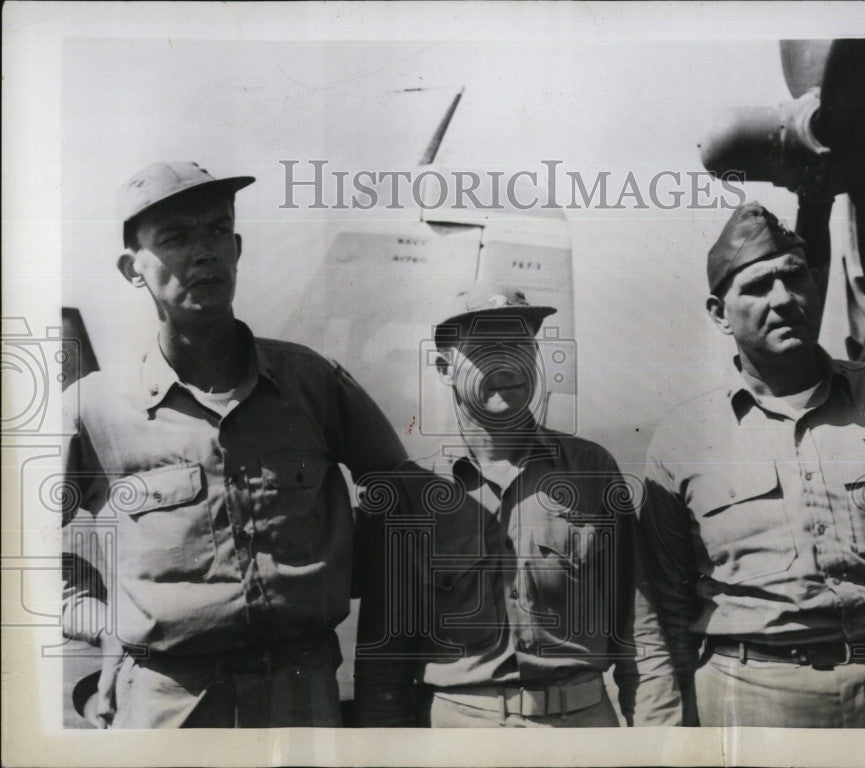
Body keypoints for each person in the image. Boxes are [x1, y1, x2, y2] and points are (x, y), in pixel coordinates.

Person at [61, 161, 407, 728]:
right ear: (132, 269)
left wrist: (354, 583)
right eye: (175, 238)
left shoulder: (312, 383)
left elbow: (405, 500)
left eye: (218, 231)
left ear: (238, 248)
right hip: (167, 704)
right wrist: (100, 622)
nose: (205, 252)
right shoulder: (95, 407)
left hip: (303, 694)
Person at [632, 202, 865, 728]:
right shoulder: (683, 438)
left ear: (816, 284)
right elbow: (665, 606)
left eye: (793, 278)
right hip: (755, 701)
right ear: (718, 313)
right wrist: (668, 735)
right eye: (757, 287)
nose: (782, 299)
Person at [354, 283, 638, 727]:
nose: (507, 362)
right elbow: (384, 659)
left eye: (520, 345)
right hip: (461, 733)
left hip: (582, 728)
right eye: (485, 348)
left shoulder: (592, 469)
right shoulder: (413, 493)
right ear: (446, 368)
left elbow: (638, 622)